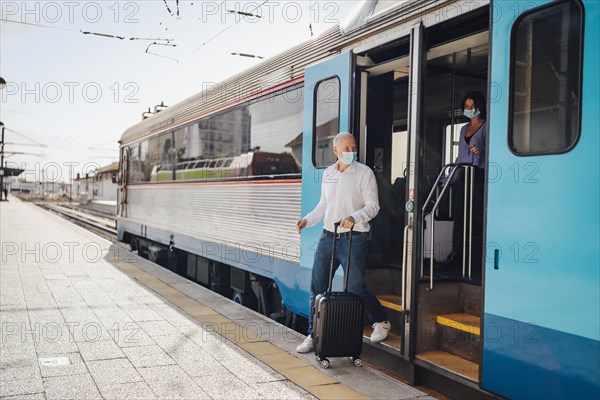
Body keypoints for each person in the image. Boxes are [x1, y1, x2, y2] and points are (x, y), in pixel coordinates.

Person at [295, 132, 390, 354]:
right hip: (327, 237)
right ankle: (312, 335)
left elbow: (373, 206)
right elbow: (323, 206)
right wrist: (307, 220)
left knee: (355, 288)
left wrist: (354, 217)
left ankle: (382, 321)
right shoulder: (328, 173)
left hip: (353, 239)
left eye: (353, 147)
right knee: (316, 289)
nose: (351, 152)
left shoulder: (365, 173)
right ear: (335, 151)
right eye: (346, 148)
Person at [450, 91, 487, 279]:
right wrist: (449, 177)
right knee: (460, 216)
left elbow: (492, 153)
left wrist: (480, 152)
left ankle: (476, 258)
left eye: (472, 106)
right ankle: (457, 255)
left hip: (479, 175)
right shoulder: (464, 128)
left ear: (479, 106)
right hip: (463, 175)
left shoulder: (487, 127)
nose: (469, 109)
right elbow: (459, 156)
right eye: (466, 106)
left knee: (476, 217)